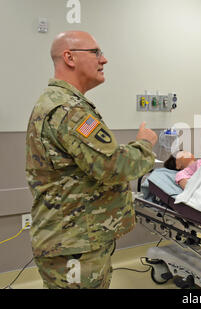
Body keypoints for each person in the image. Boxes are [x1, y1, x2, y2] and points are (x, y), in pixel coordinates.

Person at [25, 31, 158, 289]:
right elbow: (114, 167)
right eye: (96, 52)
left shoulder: (58, 102)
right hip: (75, 243)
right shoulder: (69, 110)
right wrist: (144, 143)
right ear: (69, 57)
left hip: (72, 239)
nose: (104, 59)